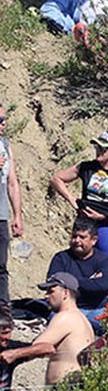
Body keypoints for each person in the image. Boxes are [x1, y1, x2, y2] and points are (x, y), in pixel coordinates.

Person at [49, 131, 108, 273]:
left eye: (103, 148)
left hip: (107, 227)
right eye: (97, 147)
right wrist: (72, 201)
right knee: (78, 266)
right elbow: (56, 179)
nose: (98, 151)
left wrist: (103, 216)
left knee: (106, 270)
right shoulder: (87, 167)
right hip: (84, 225)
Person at [6, 274, 94, 388]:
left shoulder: (65, 317)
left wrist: (13, 354)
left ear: (66, 293)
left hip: (66, 389)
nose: (46, 296)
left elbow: (39, 347)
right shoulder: (82, 319)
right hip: (74, 387)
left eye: (51, 291)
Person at [46, 220, 108, 318]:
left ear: (94, 240)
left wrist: (69, 281)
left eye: (82, 237)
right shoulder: (61, 258)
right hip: (67, 309)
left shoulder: (105, 260)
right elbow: (53, 283)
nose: (77, 241)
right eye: (74, 236)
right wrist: (90, 281)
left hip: (95, 310)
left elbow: (103, 285)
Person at [0, 112, 23, 317]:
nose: (3, 123)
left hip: (1, 214)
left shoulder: (5, 145)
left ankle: (3, 310)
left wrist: (17, 215)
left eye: (4, 119)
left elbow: (12, 181)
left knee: (1, 265)